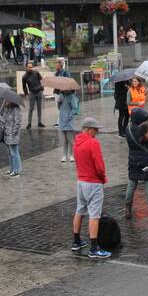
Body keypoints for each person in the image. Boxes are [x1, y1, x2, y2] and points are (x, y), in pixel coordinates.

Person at [71, 117, 111, 259]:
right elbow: (99, 166)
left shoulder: (76, 143)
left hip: (81, 181)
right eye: (95, 129)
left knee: (80, 210)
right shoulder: (93, 143)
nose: (97, 132)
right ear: (88, 129)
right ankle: (94, 248)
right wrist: (103, 178)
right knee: (94, 215)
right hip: (93, 183)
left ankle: (76, 241)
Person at [124, 108, 148, 220]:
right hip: (145, 158)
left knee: (132, 182)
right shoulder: (142, 130)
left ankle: (127, 208)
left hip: (132, 158)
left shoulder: (128, 128)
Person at [57, 88, 79, 163]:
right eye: (64, 89)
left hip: (69, 121)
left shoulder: (72, 97)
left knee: (70, 139)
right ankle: (64, 155)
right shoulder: (61, 96)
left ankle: (71, 155)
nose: (65, 90)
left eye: (67, 89)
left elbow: (75, 108)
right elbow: (59, 108)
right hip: (62, 120)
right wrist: (59, 102)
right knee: (64, 140)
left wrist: (69, 117)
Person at [2, 99, 23, 176]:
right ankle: (12, 169)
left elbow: (17, 122)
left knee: (14, 152)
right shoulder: (6, 109)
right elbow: (4, 119)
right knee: (10, 153)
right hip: (7, 134)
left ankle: (17, 170)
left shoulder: (16, 109)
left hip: (13, 134)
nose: (6, 101)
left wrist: (13, 133)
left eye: (7, 100)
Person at [22, 63, 45, 128]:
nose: (30, 68)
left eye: (31, 67)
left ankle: (39, 122)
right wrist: (26, 94)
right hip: (32, 93)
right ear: (26, 67)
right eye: (29, 67)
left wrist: (42, 88)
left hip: (39, 92)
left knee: (39, 108)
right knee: (31, 108)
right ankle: (29, 123)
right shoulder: (24, 77)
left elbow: (42, 80)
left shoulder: (36, 73)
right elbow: (24, 87)